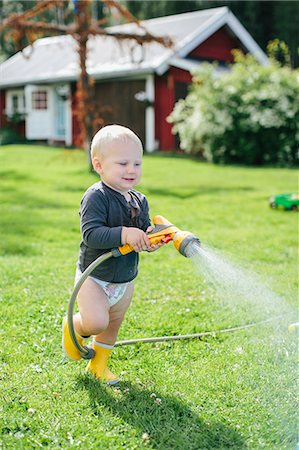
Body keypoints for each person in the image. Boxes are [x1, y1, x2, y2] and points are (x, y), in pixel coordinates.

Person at [62, 124, 161, 384]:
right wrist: (125, 234)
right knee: (96, 323)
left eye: (137, 164)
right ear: (99, 165)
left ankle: (98, 366)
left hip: (125, 277)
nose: (131, 170)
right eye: (123, 163)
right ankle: (75, 324)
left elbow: (140, 232)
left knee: (112, 324)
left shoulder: (139, 200)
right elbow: (91, 234)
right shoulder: (96, 196)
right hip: (95, 275)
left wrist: (149, 239)